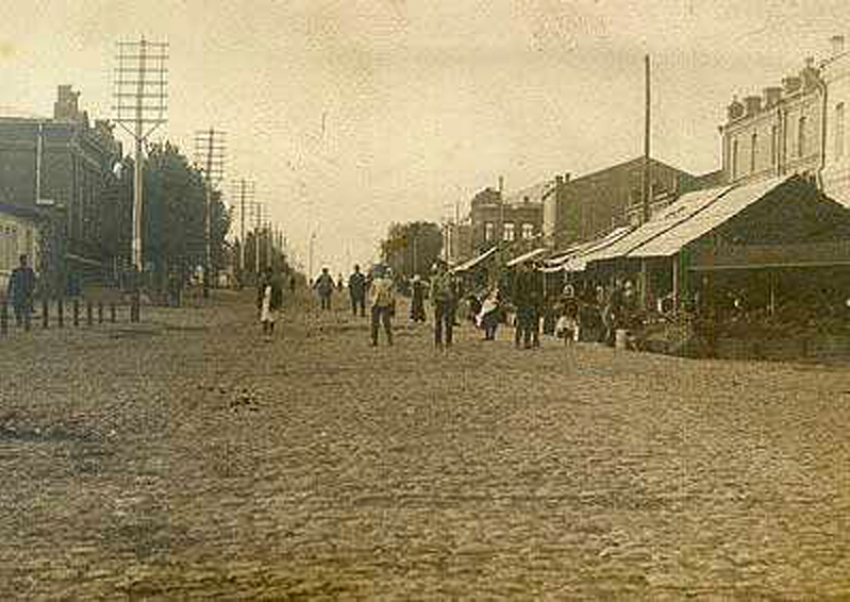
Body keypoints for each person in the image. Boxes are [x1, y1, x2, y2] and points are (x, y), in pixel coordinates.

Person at [430, 260, 456, 349]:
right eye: (440, 268)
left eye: (443, 268)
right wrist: (432, 300)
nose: (441, 270)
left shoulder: (450, 277)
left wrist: (453, 299)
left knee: (448, 323)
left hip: (448, 301)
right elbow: (432, 290)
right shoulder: (435, 278)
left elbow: (454, 289)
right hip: (439, 301)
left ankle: (449, 341)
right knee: (438, 323)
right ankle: (438, 342)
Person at [7, 254, 36, 328]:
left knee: (27, 310)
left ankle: (27, 324)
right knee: (17, 308)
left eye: (25, 259)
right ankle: (19, 322)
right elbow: (11, 282)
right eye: (23, 259)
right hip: (17, 293)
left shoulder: (30, 271)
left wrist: (32, 290)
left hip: (27, 293)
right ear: (20, 261)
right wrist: (9, 292)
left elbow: (33, 281)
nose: (24, 261)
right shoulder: (15, 271)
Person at [512, 262, 536, 349]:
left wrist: (534, 296)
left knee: (529, 324)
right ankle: (517, 342)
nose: (529, 269)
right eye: (528, 267)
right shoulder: (519, 277)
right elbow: (515, 290)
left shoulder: (533, 277)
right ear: (524, 267)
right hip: (521, 303)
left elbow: (536, 288)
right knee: (520, 324)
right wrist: (516, 302)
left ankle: (527, 342)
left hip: (530, 303)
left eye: (530, 268)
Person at [369, 265, 394, 346]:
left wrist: (390, 302)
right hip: (376, 304)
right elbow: (371, 292)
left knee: (386, 322)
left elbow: (391, 294)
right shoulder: (375, 282)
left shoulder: (389, 282)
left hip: (385, 304)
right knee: (374, 323)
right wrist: (372, 300)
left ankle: (390, 340)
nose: (378, 273)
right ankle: (374, 340)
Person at [257, 266, 283, 340]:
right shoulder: (263, 281)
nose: (267, 274)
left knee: (271, 318)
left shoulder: (275, 282)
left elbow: (279, 293)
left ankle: (271, 331)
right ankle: (265, 332)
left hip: (272, 301)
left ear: (271, 273)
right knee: (264, 318)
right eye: (266, 273)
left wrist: (278, 303)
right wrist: (259, 303)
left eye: (269, 273)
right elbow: (260, 293)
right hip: (265, 301)